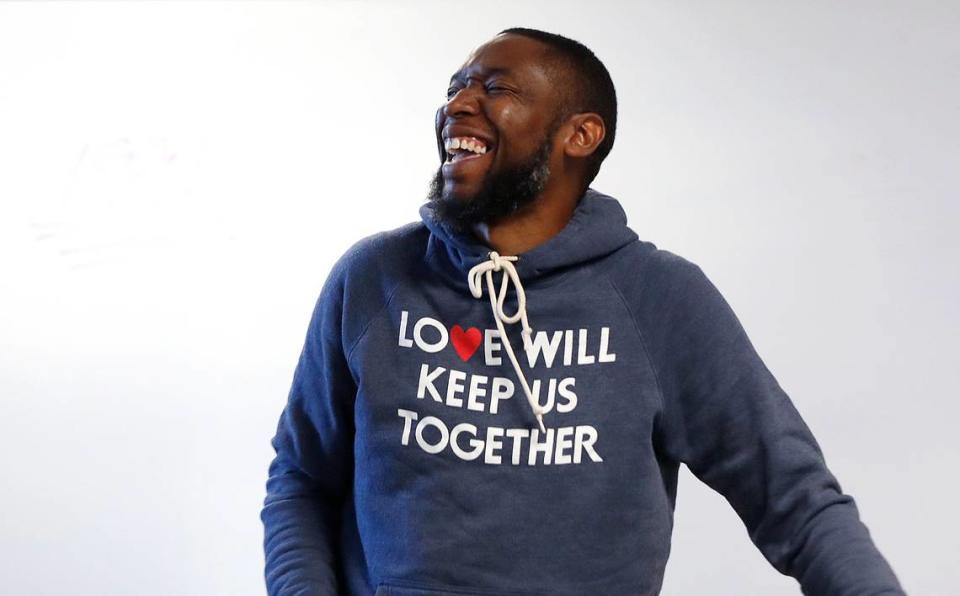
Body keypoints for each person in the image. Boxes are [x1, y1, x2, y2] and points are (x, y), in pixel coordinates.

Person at [261, 27, 905, 596]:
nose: (458, 105)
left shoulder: (658, 297)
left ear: (580, 135)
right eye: (455, 88)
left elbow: (794, 498)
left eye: (495, 89)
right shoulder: (375, 278)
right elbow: (300, 480)